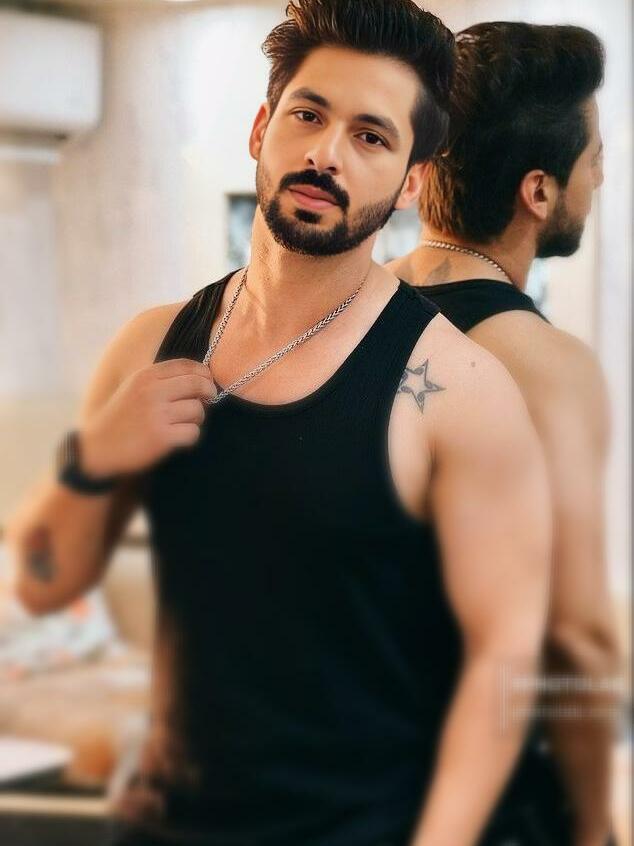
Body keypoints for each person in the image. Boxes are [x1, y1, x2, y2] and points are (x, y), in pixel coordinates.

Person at [6, 4, 551, 845]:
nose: (326, 153)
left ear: (411, 183)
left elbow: (504, 657)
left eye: (370, 136)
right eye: (308, 115)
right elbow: (43, 585)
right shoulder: (151, 345)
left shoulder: (461, 391)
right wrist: (93, 459)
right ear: (262, 128)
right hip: (160, 824)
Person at [388, 21, 621, 846]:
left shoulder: (338, 317)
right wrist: (595, 825)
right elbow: (576, 638)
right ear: (539, 192)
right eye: (595, 157)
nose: (601, 175)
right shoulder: (546, 369)